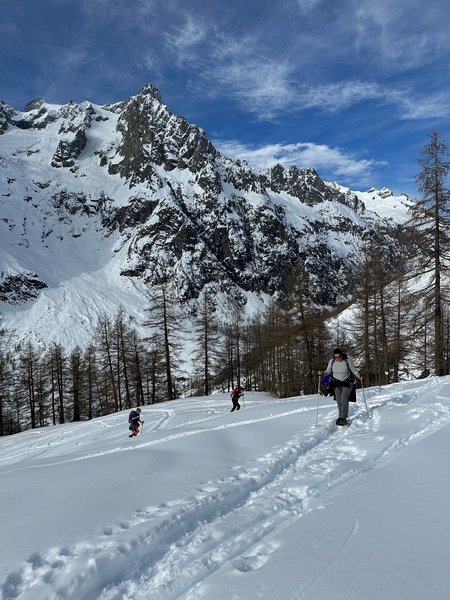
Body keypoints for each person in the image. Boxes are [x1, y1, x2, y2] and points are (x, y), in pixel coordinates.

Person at [318, 348, 362, 426]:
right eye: (336, 357)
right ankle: (341, 416)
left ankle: (343, 417)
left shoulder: (348, 361)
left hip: (347, 382)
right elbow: (328, 371)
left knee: (344, 397)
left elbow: (354, 371)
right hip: (336, 383)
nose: (337, 359)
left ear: (341, 355)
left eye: (339, 357)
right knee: (339, 400)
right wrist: (322, 373)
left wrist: (359, 376)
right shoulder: (332, 362)